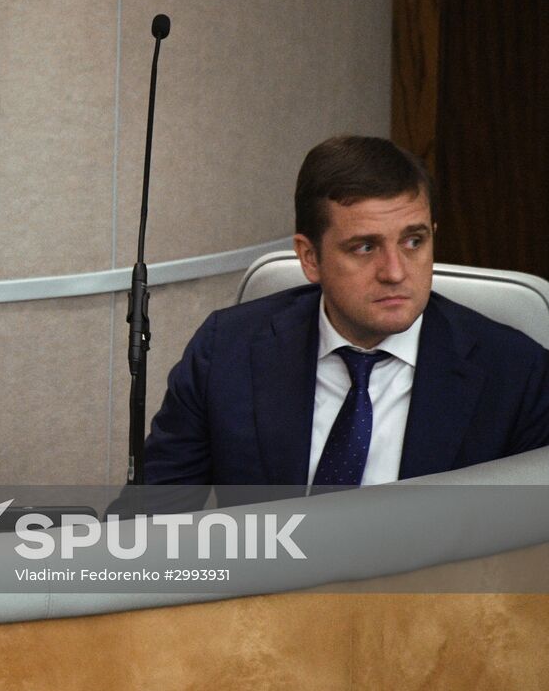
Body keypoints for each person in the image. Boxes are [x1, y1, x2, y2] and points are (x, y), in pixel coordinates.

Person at [140, 135, 549, 497]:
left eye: (413, 241)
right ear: (310, 257)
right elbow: (152, 521)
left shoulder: (516, 375)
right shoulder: (227, 350)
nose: (395, 271)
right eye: (364, 247)